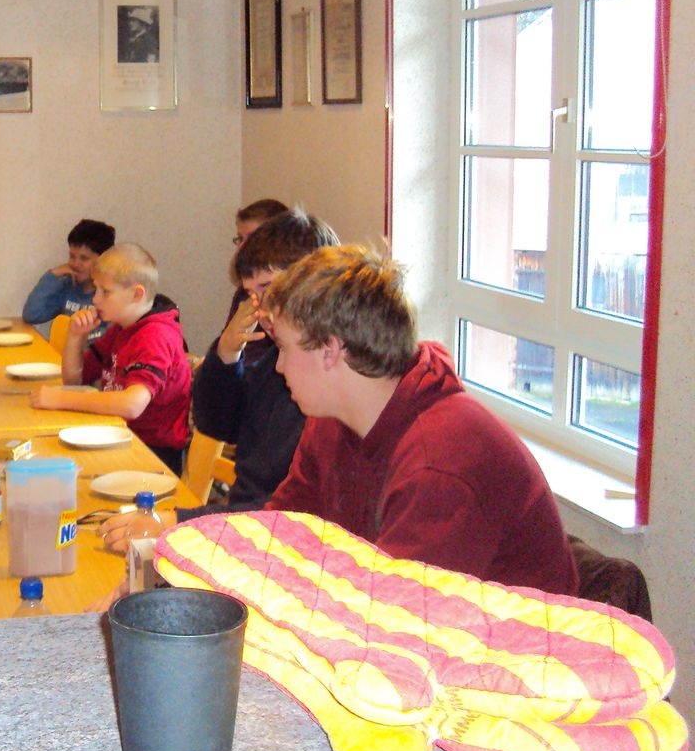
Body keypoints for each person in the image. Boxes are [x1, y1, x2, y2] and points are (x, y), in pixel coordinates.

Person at [99, 244, 577, 597]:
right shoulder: (333, 420)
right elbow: (282, 531)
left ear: (330, 350)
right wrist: (173, 569)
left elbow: (397, 619)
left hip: (511, 677)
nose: (278, 367)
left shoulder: (441, 460)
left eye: (284, 348)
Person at [99, 209, 339, 545]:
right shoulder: (273, 358)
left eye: (268, 288)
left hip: (264, 535)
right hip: (245, 524)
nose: (260, 307)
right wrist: (226, 352)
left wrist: (179, 523)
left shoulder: (325, 388)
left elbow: (289, 514)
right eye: (251, 293)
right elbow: (216, 425)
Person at [31, 243, 191, 475]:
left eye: (105, 291)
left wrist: (60, 399)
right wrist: (76, 337)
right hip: (119, 435)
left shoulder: (155, 336)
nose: (95, 299)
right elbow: (75, 382)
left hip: (152, 455)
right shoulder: (121, 328)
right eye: (96, 289)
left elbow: (131, 405)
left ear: (137, 294)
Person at [22, 218, 116, 341]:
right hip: (66, 352)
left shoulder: (109, 296)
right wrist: (53, 274)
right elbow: (31, 315)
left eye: (84, 258)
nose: (76, 264)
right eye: (72, 256)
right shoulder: (67, 287)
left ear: (103, 260)